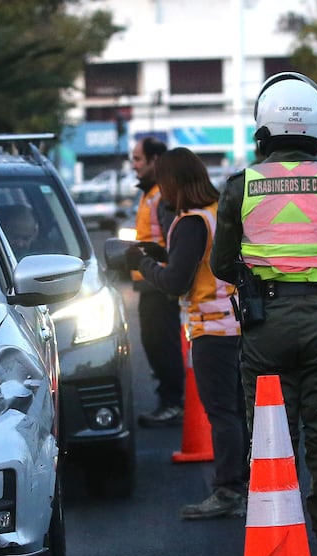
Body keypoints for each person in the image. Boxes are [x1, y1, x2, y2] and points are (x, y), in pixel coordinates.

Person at [211, 71, 317, 556]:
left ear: (264, 127)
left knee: (273, 439)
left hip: (265, 325)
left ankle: (275, 551)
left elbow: (220, 264)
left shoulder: (242, 186)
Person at [130, 148, 247, 519]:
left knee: (222, 413)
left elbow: (175, 282)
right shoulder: (216, 213)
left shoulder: (191, 222)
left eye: (164, 184)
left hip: (211, 330)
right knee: (239, 411)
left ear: (174, 183)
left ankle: (229, 490)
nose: (161, 193)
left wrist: (142, 263)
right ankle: (247, 484)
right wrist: (162, 254)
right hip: (238, 323)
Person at [130, 137, 185, 427]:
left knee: (161, 344)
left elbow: (174, 240)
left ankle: (172, 402)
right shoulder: (151, 192)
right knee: (154, 343)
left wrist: (165, 272)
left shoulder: (163, 195)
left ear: (154, 161)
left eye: (139, 159)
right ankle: (171, 399)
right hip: (151, 278)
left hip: (160, 282)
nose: (134, 165)